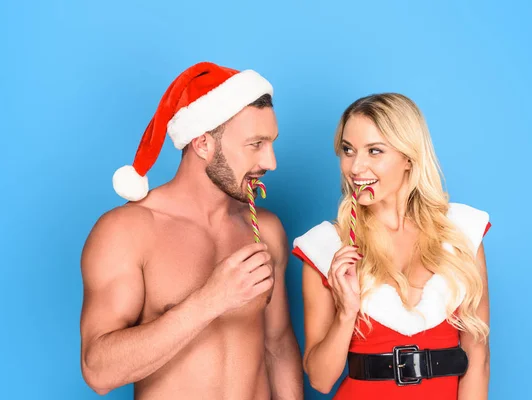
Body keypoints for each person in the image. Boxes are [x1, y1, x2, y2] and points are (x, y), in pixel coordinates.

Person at [79, 61, 302, 399]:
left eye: (271, 143)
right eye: (256, 144)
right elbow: (98, 371)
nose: (271, 162)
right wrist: (211, 300)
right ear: (202, 143)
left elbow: (278, 345)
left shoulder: (264, 229)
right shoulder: (128, 231)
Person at [292, 93, 491, 399]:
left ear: (409, 157)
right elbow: (320, 379)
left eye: (375, 151)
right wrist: (346, 313)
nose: (356, 167)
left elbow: (477, 360)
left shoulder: (461, 233)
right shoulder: (325, 247)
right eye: (348, 150)